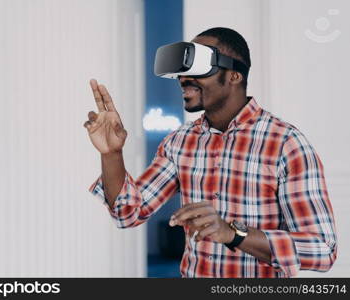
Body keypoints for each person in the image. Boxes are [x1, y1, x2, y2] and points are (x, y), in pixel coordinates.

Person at [84, 27, 337, 278]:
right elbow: (128, 213)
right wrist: (112, 154)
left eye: (198, 67)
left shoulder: (285, 143)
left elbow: (323, 250)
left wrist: (233, 234)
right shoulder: (179, 142)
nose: (183, 78)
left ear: (234, 76)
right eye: (183, 70)